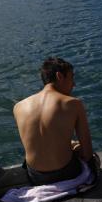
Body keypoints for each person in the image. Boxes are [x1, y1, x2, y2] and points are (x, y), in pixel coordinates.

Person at [14, 57, 95, 185]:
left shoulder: (18, 107)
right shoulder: (74, 103)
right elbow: (87, 151)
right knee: (89, 155)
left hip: (35, 176)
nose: (74, 84)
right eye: (71, 77)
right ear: (59, 76)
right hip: (66, 173)